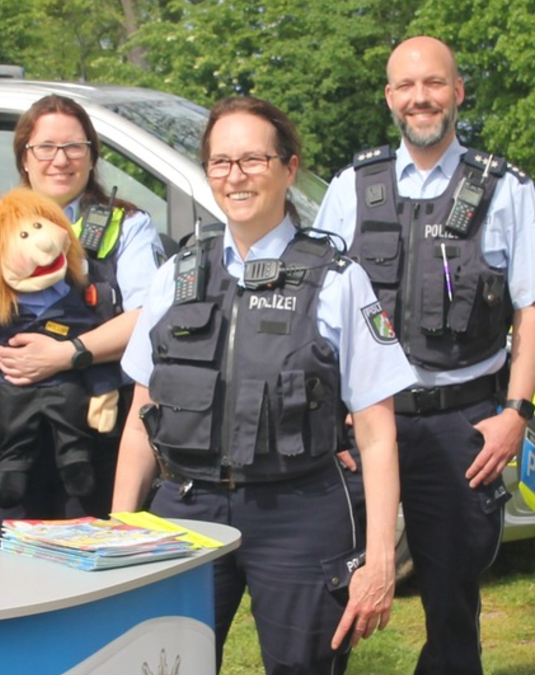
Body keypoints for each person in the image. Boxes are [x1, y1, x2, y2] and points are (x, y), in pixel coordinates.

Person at [112, 96, 413, 675]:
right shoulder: (176, 273)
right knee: (163, 666)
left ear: (288, 167)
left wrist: (379, 561)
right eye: (221, 162)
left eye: (253, 159)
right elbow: (139, 418)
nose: (236, 176)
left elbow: (377, 435)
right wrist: (120, 530)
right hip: (186, 511)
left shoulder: (338, 280)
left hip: (299, 513)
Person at [313, 36, 535, 675]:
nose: (420, 98)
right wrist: (329, 420)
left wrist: (516, 412)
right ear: (389, 98)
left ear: (458, 92)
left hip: (459, 424)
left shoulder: (506, 189)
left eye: (434, 84)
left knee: (452, 598)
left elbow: (529, 307)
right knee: (326, 583)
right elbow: (318, 309)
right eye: (406, 87)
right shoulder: (353, 187)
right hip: (361, 424)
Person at [0, 94, 164, 557]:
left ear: (92, 155)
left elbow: (145, 321)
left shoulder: (127, 226)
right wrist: (4, 275)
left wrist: (65, 353)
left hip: (89, 440)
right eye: (46, 147)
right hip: (6, 442)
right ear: (25, 156)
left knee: (80, 583)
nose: (60, 160)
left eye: (74, 147)